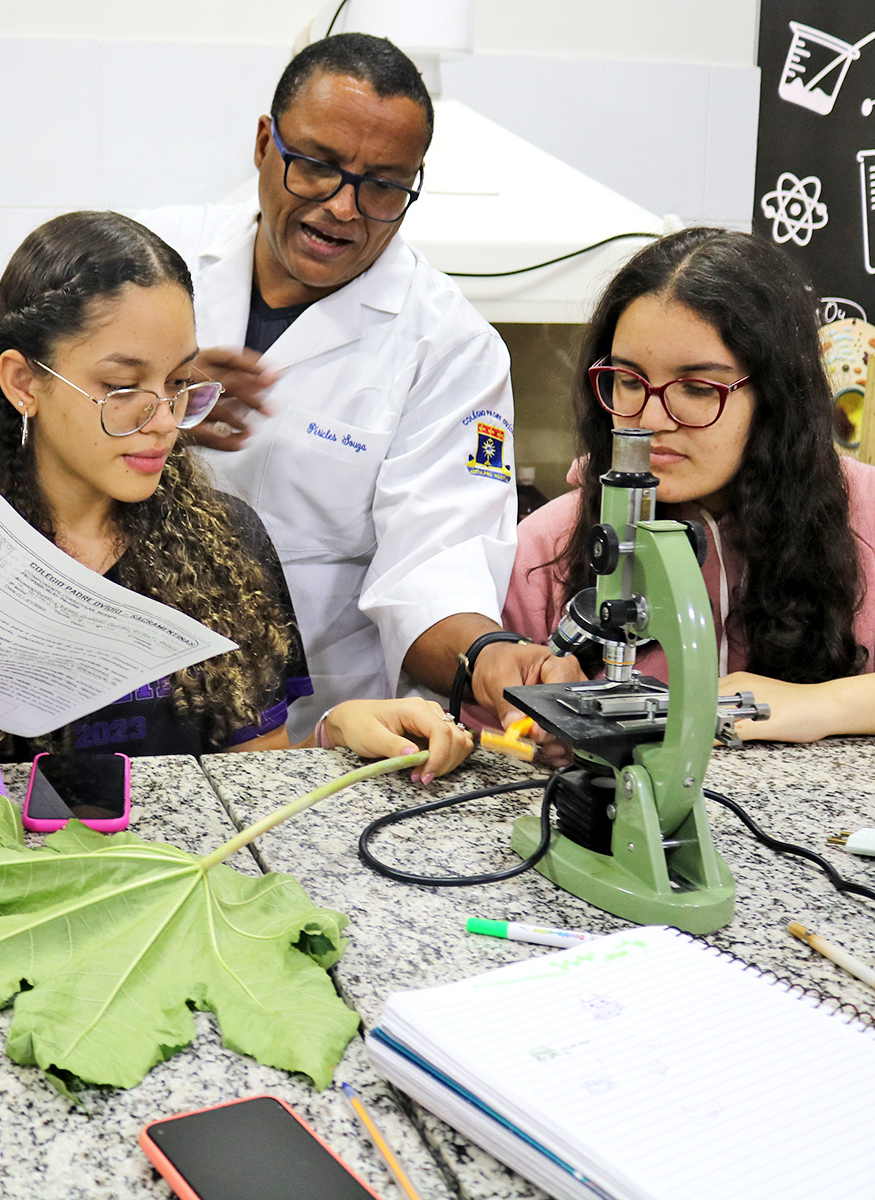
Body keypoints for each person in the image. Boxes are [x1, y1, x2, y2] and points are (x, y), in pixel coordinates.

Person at [0, 210, 471, 780]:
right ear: (24, 382)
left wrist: (334, 734)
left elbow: (251, 781)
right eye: (123, 386)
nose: (163, 419)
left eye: (181, 381)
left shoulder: (226, 546)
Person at [136, 33, 574, 743]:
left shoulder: (449, 348)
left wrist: (493, 659)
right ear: (262, 144)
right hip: (119, 701)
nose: (344, 207)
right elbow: (39, 412)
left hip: (316, 735)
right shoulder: (153, 262)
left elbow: (434, 569)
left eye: (383, 185)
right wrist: (153, 389)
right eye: (318, 167)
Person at [504, 227, 875, 742]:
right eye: (628, 380)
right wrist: (542, 732)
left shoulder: (865, 510)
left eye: (696, 388)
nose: (649, 418)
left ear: (774, 397)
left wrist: (820, 704)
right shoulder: (549, 543)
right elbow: (490, 735)